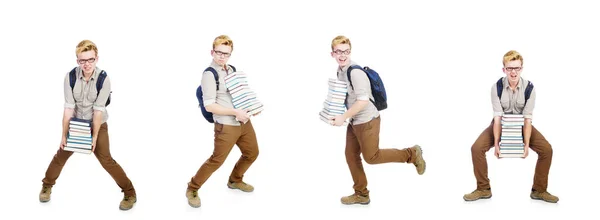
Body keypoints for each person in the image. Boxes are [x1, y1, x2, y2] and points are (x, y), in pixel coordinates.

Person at [39, 39, 137, 210]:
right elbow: (68, 108)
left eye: (90, 59)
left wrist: (94, 137)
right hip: (76, 123)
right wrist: (63, 135)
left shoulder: (103, 79)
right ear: (77, 60)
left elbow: (98, 111)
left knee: (106, 160)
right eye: (82, 60)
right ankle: (47, 185)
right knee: (61, 154)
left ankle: (130, 193)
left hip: (97, 123)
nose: (86, 64)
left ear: (96, 58)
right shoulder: (70, 77)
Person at [329, 35, 426, 205]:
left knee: (371, 157)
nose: (342, 55)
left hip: (367, 120)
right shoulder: (340, 71)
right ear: (332, 54)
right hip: (354, 120)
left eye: (346, 51)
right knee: (351, 155)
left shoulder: (356, 73)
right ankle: (361, 193)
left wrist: (343, 117)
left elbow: (363, 100)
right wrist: (334, 111)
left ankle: (412, 154)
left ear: (350, 51)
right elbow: (346, 95)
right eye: (338, 52)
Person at [463, 50, 559, 203]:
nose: (513, 72)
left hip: (522, 126)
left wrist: (526, 145)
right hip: (500, 124)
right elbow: (497, 117)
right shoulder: (497, 87)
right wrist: (496, 144)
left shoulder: (530, 88)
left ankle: (539, 190)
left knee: (547, 150)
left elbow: (528, 120)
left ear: (521, 68)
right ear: (504, 69)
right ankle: (483, 189)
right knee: (476, 148)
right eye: (509, 68)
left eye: (517, 68)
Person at [186, 35, 260, 208]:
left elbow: (238, 93)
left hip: (243, 122)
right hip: (226, 125)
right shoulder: (209, 75)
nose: (222, 56)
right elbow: (210, 105)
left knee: (252, 153)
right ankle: (192, 188)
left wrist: (250, 108)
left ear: (230, 54)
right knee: (216, 160)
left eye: (226, 54)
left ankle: (235, 180)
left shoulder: (231, 69)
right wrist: (235, 112)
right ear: (212, 52)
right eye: (218, 52)